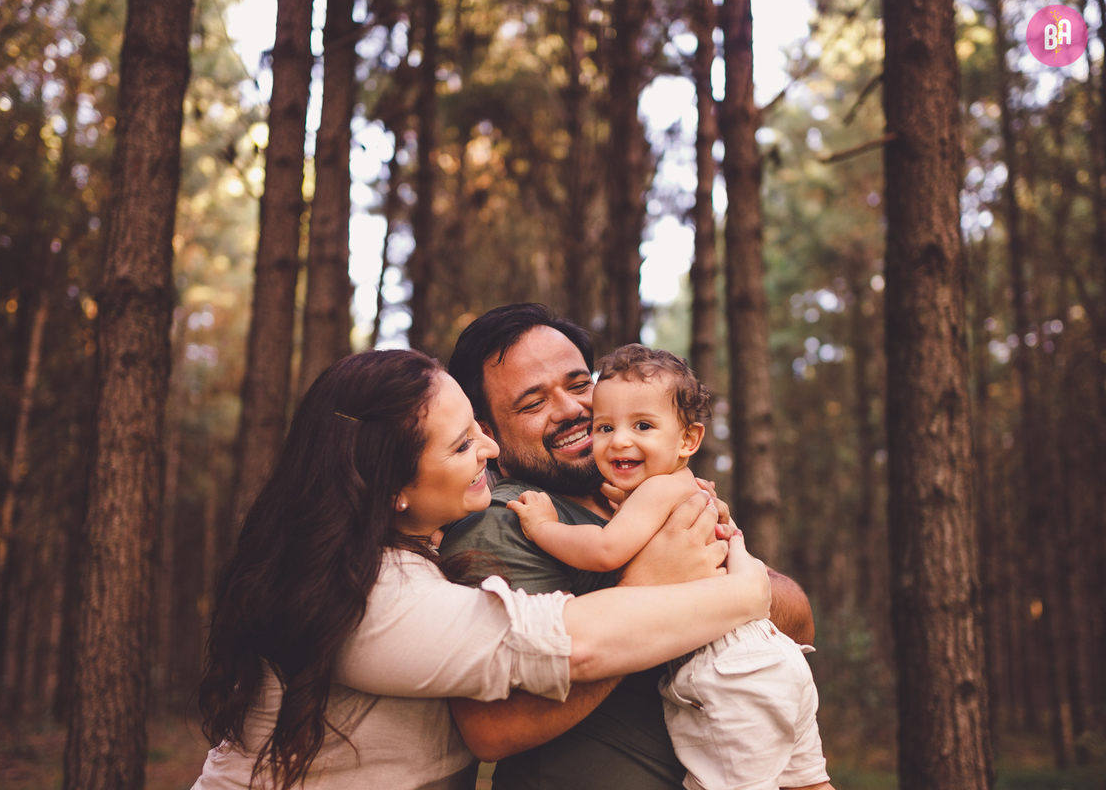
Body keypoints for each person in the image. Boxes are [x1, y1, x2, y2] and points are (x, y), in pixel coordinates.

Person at [193, 348, 772, 790]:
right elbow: (576, 646)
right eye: (461, 445)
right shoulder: (372, 594)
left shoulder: (394, 550)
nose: (490, 451)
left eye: (477, 429)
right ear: (393, 488)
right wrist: (742, 591)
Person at [441, 303, 817, 790]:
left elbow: (795, 618)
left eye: (580, 385)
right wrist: (654, 585)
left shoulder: (640, 495)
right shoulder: (504, 522)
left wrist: (727, 557)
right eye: (533, 403)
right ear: (487, 432)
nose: (571, 410)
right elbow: (492, 729)